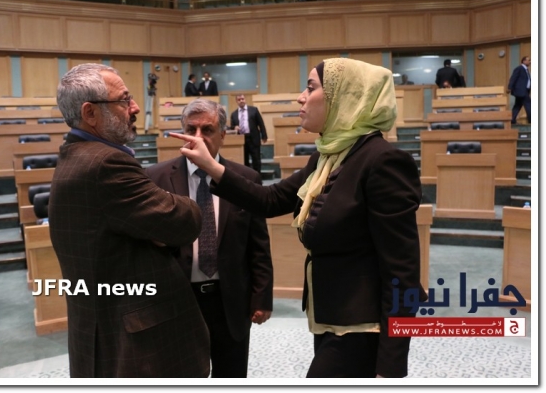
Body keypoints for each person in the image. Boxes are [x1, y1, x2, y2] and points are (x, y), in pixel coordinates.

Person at [171, 58, 426, 378]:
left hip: (364, 326)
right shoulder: (328, 155)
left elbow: (402, 272)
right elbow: (270, 200)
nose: (300, 97)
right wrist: (212, 166)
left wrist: (390, 367)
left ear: (342, 97)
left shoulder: (382, 160)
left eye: (310, 88)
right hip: (331, 318)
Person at [48, 63, 210, 378]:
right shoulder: (106, 163)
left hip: (104, 331)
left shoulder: (75, 155)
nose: (135, 107)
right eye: (124, 100)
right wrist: (171, 211)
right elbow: (186, 222)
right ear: (90, 113)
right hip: (139, 347)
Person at [145, 99, 273, 378]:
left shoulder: (246, 178)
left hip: (231, 300)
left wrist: (262, 297)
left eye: (208, 130)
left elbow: (258, 245)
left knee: (232, 377)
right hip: (179, 301)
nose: (198, 137)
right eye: (191, 130)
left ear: (223, 134)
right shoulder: (156, 178)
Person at [230, 94, 268, 174]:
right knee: (245, 161)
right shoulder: (234, 114)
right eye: (239, 99)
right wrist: (234, 127)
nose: (241, 101)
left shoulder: (254, 110)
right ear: (236, 101)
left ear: (245, 99)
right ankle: (248, 178)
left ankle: (257, 178)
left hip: (253, 138)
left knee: (256, 160)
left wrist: (264, 135)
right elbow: (231, 127)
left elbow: (261, 123)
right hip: (241, 140)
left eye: (242, 99)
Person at [507, 56, 531, 124]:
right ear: (524, 61)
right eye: (528, 60)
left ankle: (512, 119)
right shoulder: (519, 68)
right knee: (528, 104)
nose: (530, 62)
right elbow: (513, 78)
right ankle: (531, 120)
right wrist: (509, 87)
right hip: (521, 91)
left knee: (517, 105)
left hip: (524, 91)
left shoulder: (526, 70)